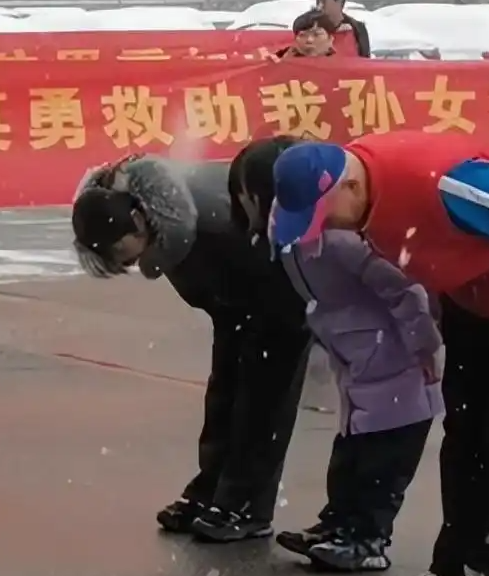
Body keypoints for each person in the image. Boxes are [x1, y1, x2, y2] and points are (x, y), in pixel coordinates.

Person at [269, 133, 489, 576]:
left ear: (349, 186)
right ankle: (453, 562)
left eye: (324, 217)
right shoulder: (358, 191)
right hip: (471, 300)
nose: (324, 228)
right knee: (464, 435)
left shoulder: (444, 181)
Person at [70, 150, 310, 543]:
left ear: (137, 222)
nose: (131, 265)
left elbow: (273, 276)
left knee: (262, 402)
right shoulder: (161, 228)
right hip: (237, 303)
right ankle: (212, 491)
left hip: (280, 294)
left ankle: (245, 506)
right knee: (224, 396)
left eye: (123, 255)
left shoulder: (204, 224)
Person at [272, 227, 444, 572]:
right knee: (349, 459)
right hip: (361, 370)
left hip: (400, 372)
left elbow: (405, 290)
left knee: (382, 467)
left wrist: (426, 344)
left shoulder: (342, 243)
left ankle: (368, 538)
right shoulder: (292, 242)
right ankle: (339, 524)